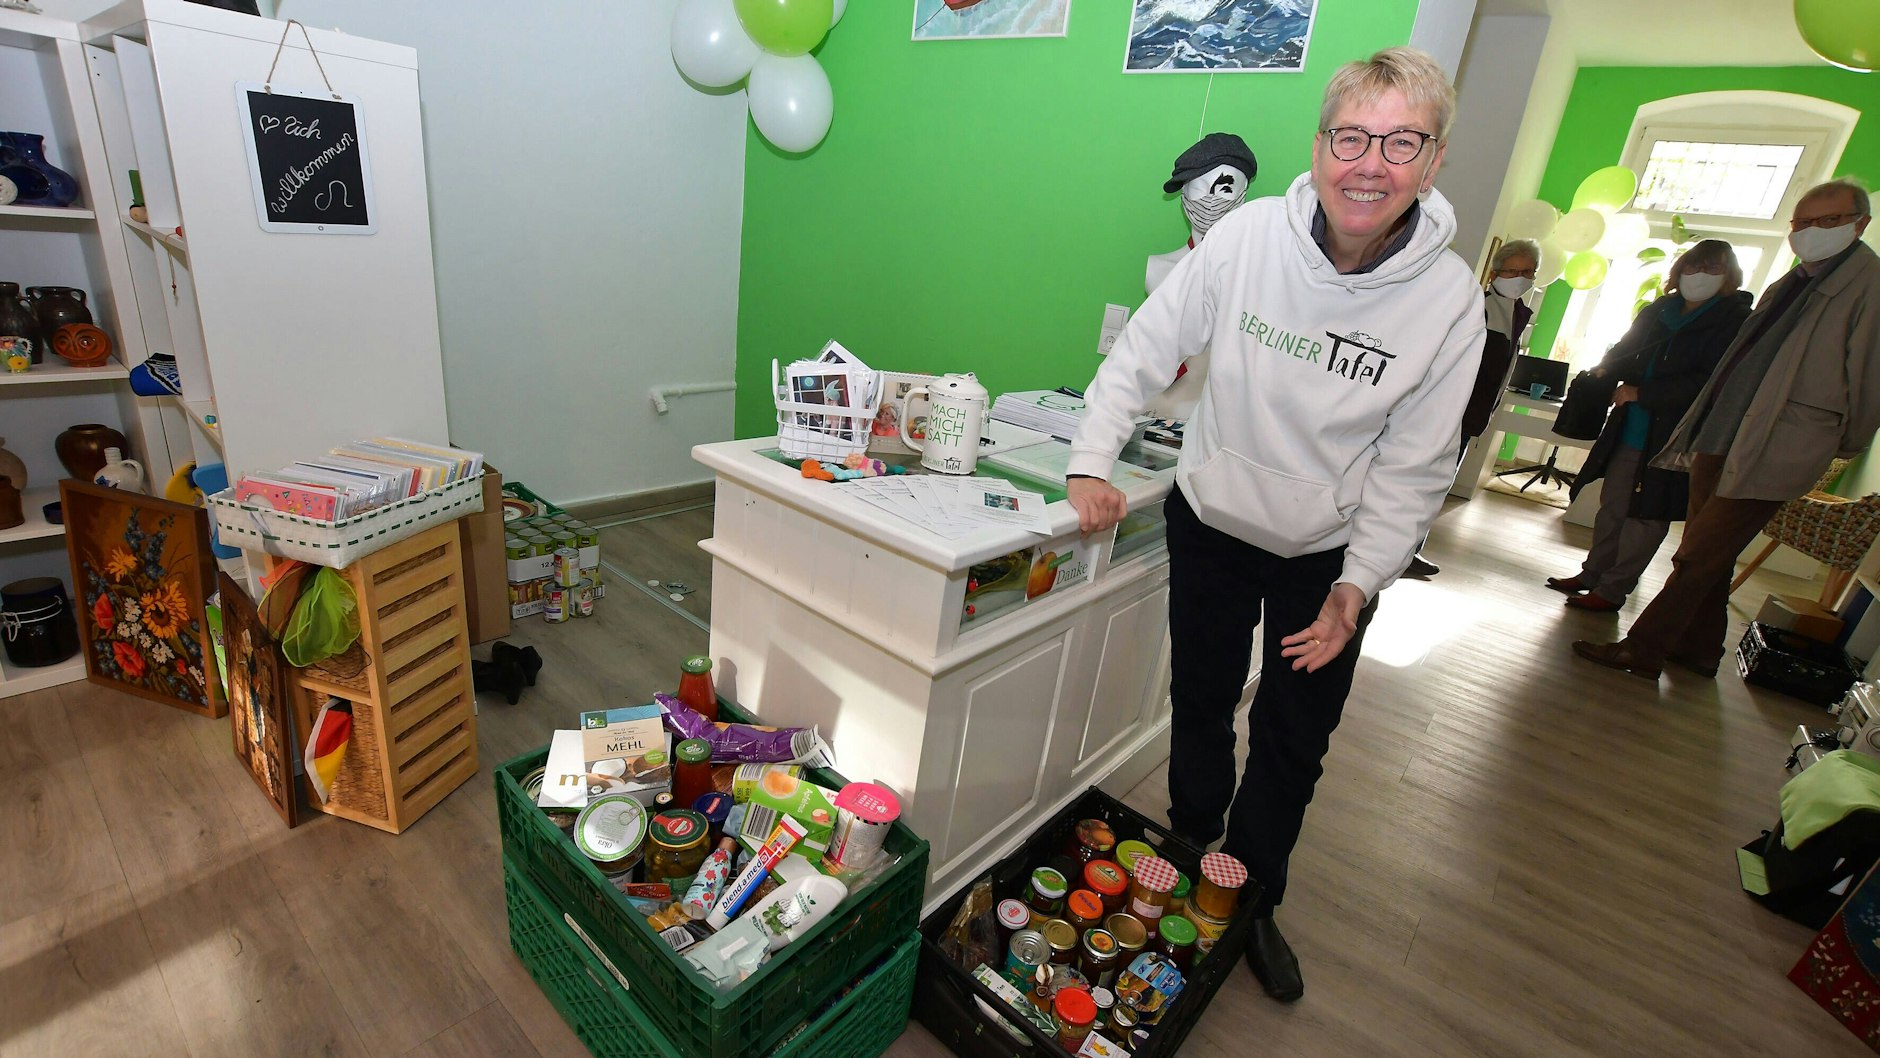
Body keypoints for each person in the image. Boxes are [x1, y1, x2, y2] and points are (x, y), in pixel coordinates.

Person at [1064, 47, 1484, 1002]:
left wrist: (1359, 584)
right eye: (1351, 137)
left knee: (1294, 737)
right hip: (1213, 519)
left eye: (1401, 141)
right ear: (1320, 144)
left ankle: (1248, 898)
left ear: (1434, 159)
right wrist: (1091, 456)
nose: (1369, 163)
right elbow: (1146, 346)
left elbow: (1419, 462)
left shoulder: (1450, 300)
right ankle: (1189, 845)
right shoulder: (1250, 236)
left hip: (1326, 559)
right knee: (1205, 702)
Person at [1575, 179, 1880, 679]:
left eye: (1828, 221)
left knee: (1696, 556)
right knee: (1708, 550)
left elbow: (1869, 381)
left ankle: (1643, 650)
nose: (1811, 232)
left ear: (1859, 223)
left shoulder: (1868, 288)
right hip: (1724, 435)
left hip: (1780, 443)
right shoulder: (1793, 282)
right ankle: (1699, 650)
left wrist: (1838, 443)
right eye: (1802, 223)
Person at [1547, 240, 1751, 610]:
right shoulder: (1660, 309)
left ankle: (1612, 591)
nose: (1699, 276)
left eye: (1711, 269)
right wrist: (1607, 370)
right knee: (1612, 505)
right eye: (1692, 267)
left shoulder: (1733, 320)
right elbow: (1626, 348)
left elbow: (1711, 383)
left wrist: (1644, 393)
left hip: (1676, 437)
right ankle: (1592, 574)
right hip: (1630, 427)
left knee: (1647, 516)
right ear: (1679, 271)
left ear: (1728, 276)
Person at [1406, 237, 1542, 577]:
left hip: (1473, 416)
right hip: (1450, 414)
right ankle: (1400, 550)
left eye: (1528, 271)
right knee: (1423, 483)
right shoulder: (1477, 308)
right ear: (1496, 273)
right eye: (1514, 270)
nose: (1521, 277)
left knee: (1440, 485)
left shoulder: (1518, 314)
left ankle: (1411, 549)